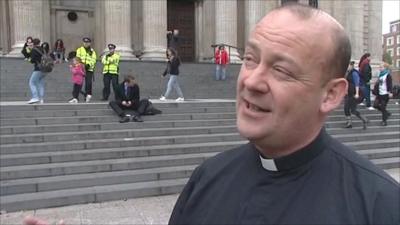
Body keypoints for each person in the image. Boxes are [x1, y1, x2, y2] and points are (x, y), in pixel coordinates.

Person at [168, 4, 399, 225]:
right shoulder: (206, 178)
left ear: (330, 95)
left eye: (281, 70)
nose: (252, 81)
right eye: (250, 59)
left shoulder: (380, 208)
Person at [343, 61, 368, 129]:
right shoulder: (348, 73)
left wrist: (357, 93)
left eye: (348, 66)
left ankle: (362, 120)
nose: (347, 67)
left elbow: (357, 84)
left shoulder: (354, 73)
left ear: (351, 66)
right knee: (348, 109)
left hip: (354, 94)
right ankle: (350, 122)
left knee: (350, 109)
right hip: (349, 93)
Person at [76, 37, 97, 102]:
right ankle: (77, 96)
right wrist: (82, 65)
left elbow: (93, 60)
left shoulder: (92, 51)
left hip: (89, 69)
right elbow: (78, 58)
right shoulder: (79, 49)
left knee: (88, 83)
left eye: (87, 42)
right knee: (79, 83)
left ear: (90, 43)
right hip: (81, 68)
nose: (86, 44)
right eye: (85, 42)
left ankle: (88, 95)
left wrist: (88, 65)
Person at [27, 38, 46, 104]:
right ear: (39, 42)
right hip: (45, 69)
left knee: (31, 82)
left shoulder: (34, 50)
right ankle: (41, 99)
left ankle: (35, 97)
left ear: (33, 43)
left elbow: (32, 60)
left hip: (38, 69)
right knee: (40, 83)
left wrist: (29, 60)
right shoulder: (43, 49)